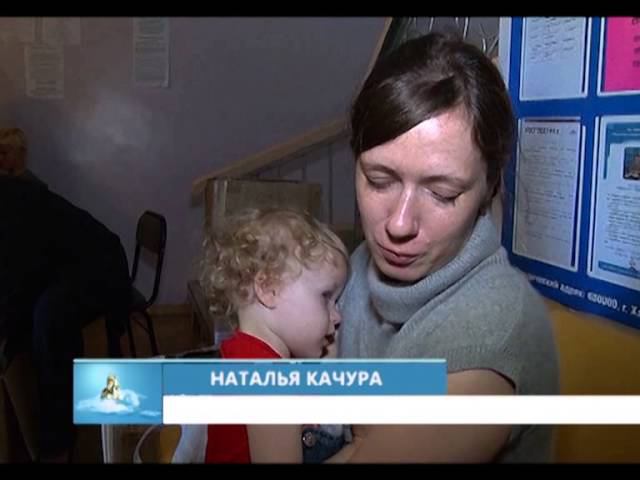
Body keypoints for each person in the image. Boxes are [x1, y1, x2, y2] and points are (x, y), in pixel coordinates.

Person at [308, 32, 559, 463]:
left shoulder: (490, 334)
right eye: (379, 180)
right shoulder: (362, 263)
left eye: (442, 194)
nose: (399, 224)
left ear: (489, 188)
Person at [0, 128, 132, 462]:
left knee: (48, 319)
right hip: (68, 266)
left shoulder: (15, 199)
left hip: (101, 264)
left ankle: (58, 444)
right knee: (35, 319)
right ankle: (45, 432)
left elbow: (17, 279)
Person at [199, 208, 352, 463]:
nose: (337, 316)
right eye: (325, 296)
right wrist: (359, 451)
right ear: (269, 289)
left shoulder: (242, 350)